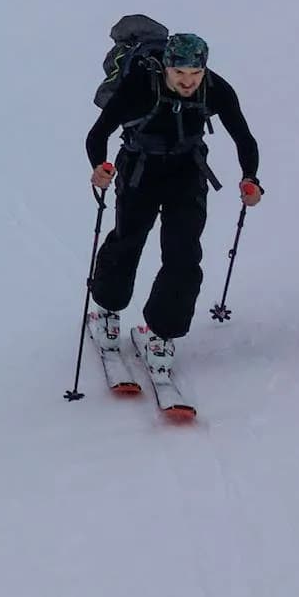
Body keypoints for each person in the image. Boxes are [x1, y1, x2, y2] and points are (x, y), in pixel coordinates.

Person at [85, 32, 263, 374]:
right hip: (140, 170)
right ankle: (107, 309)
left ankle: (161, 334)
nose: (187, 81)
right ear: (166, 66)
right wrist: (99, 166)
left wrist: (250, 178)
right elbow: (98, 133)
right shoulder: (140, 85)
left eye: (194, 74)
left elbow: (244, 137)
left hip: (187, 172)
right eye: (179, 73)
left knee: (184, 255)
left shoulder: (215, 88)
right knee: (128, 240)